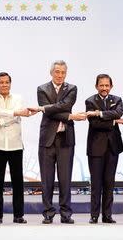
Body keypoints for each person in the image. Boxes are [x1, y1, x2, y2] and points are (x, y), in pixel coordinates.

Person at [30, 60, 86, 224]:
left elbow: (64, 105)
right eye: (57, 72)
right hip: (47, 139)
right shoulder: (42, 89)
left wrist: (46, 108)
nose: (60, 75)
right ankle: (48, 213)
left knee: (65, 178)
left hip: (65, 139)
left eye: (63, 72)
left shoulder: (72, 88)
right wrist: (69, 116)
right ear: (51, 73)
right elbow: (50, 113)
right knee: (46, 179)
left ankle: (66, 213)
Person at [0, 72, 36, 224]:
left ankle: (18, 215)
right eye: (1, 82)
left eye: (7, 82)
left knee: (18, 182)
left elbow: (10, 117)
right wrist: (15, 113)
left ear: (10, 84)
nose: (4, 85)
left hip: (15, 145)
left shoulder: (18, 98)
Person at [85, 74, 123, 224]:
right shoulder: (90, 101)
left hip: (113, 146)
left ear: (111, 86)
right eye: (101, 85)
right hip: (95, 147)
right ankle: (94, 215)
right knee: (96, 183)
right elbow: (94, 124)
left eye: (106, 85)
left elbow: (118, 113)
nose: (104, 88)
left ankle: (107, 215)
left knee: (109, 182)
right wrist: (114, 121)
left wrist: (100, 113)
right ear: (96, 86)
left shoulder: (117, 100)